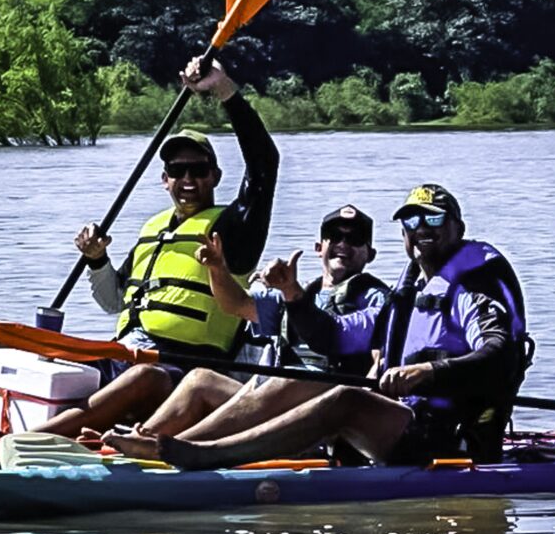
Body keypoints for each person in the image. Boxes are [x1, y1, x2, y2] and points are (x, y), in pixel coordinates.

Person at [0, 57, 279, 442]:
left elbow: (264, 165)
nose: (188, 179)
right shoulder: (154, 230)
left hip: (179, 373)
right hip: (122, 357)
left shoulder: (233, 229)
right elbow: (114, 302)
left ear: (215, 176)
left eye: (199, 170)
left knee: (146, 377)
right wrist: (98, 261)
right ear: (164, 179)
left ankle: (27, 442)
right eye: (178, 170)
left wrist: (224, 90)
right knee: (1, 338)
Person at [154, 184, 531, 470]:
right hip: (403, 419)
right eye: (411, 222)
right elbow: (330, 335)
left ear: (457, 227)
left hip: (452, 436)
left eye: (433, 219)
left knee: (345, 399)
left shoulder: (472, 286)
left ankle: (211, 456)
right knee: (303, 380)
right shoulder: (406, 295)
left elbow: (500, 355)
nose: (421, 229)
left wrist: (427, 372)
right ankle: (172, 446)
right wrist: (293, 296)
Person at [101, 205, 389, 458]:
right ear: (319, 247)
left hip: (324, 411)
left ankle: (171, 447)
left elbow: (365, 350)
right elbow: (236, 304)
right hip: (276, 400)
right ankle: (140, 437)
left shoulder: (377, 298)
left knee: (291, 379)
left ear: (370, 254)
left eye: (355, 239)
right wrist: (217, 267)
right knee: (201, 379)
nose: (343, 244)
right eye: (335, 237)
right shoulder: (299, 291)